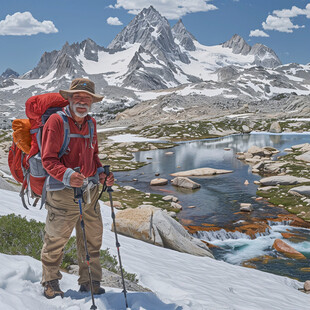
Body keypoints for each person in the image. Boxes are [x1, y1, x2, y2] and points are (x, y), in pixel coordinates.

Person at [40, 78, 114, 299]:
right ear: (70, 99)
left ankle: (90, 281)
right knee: (56, 240)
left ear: (91, 102)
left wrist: (102, 173)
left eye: (87, 99)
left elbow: (94, 156)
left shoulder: (91, 124)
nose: (82, 102)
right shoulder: (56, 121)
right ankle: (50, 282)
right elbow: (48, 159)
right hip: (63, 193)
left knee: (92, 238)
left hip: (90, 192)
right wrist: (67, 175)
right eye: (78, 98)